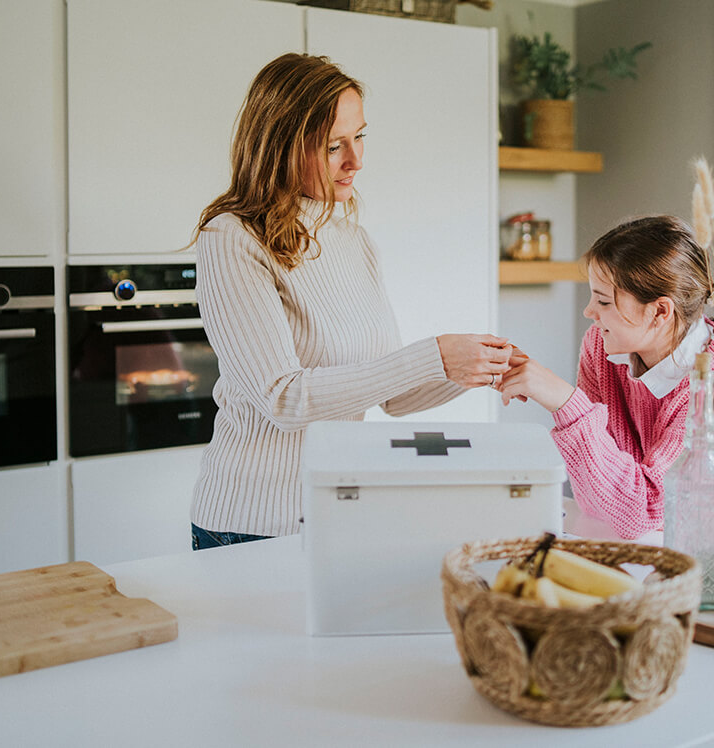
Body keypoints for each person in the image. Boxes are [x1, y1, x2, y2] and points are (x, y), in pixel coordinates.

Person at [189, 53, 512, 549]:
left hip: (333, 514)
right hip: (250, 524)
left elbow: (393, 394)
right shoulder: (233, 239)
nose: (355, 160)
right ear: (280, 147)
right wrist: (434, 355)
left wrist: (478, 369)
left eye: (359, 137)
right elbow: (283, 398)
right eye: (333, 145)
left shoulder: (352, 238)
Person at [497, 215, 714, 540]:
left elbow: (640, 511)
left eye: (603, 301)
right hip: (657, 545)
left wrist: (565, 402)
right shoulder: (601, 348)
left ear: (661, 312)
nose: (589, 311)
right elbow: (601, 502)